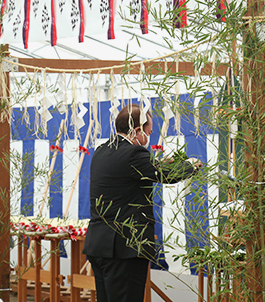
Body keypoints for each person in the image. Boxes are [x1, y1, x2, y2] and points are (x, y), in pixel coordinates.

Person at [83, 104, 202, 302]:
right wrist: (190, 166)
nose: (149, 138)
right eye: (148, 133)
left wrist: (160, 164)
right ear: (136, 131)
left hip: (100, 245)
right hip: (124, 248)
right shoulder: (133, 154)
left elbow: (138, 172)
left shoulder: (102, 151)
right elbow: (165, 176)